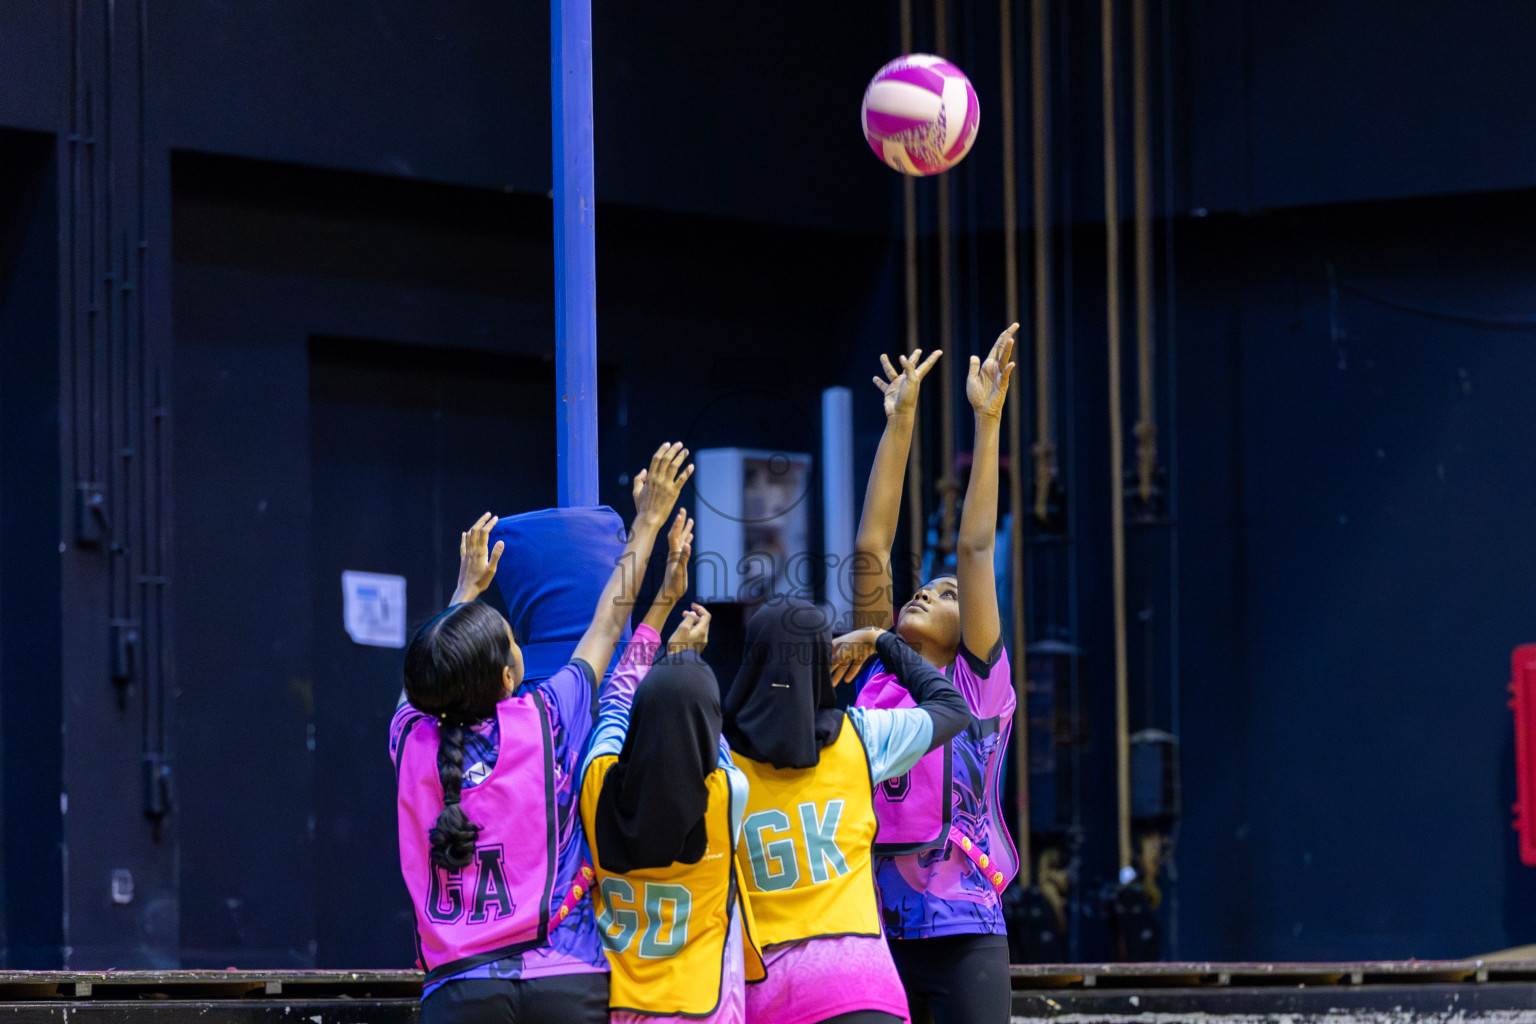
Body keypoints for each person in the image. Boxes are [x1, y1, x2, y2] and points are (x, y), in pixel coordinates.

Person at [392, 442, 692, 1024]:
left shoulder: (409, 742)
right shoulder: (546, 718)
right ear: (509, 675)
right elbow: (608, 618)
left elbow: (426, 673)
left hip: (459, 993)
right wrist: (647, 525)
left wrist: (464, 591)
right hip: (566, 980)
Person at [835, 326, 1020, 1024]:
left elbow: (974, 547)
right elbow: (872, 543)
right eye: (928, 587)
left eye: (946, 595)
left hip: (966, 928)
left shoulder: (980, 687)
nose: (928, 593)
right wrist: (902, 420)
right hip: (876, 930)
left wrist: (988, 421)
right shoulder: (876, 677)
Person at [725, 599, 970, 1024]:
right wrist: (881, 641)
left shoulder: (720, 764)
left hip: (770, 996)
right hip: (865, 993)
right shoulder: (860, 738)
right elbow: (951, 707)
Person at [579, 512, 767, 1022]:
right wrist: (689, 661)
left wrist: (667, 626)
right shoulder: (728, 793)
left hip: (618, 1005)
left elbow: (617, 698)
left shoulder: (595, 784)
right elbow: (710, 740)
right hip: (703, 1005)